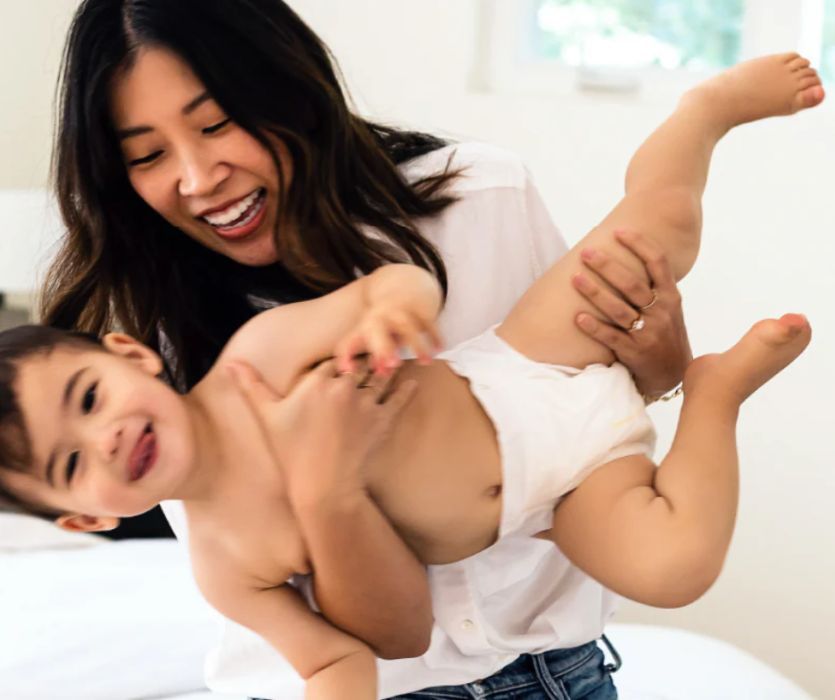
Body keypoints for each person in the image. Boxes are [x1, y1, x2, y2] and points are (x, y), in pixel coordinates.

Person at [0, 52, 821, 699]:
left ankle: (699, 117)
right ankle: (719, 396)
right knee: (671, 568)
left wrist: (390, 313)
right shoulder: (225, 560)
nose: (105, 439)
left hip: (517, 370)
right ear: (80, 520)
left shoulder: (254, 359)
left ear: (131, 356)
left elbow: (399, 284)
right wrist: (330, 493)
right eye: (71, 464)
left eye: (90, 398)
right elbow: (369, 650)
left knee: (657, 234)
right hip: (559, 503)